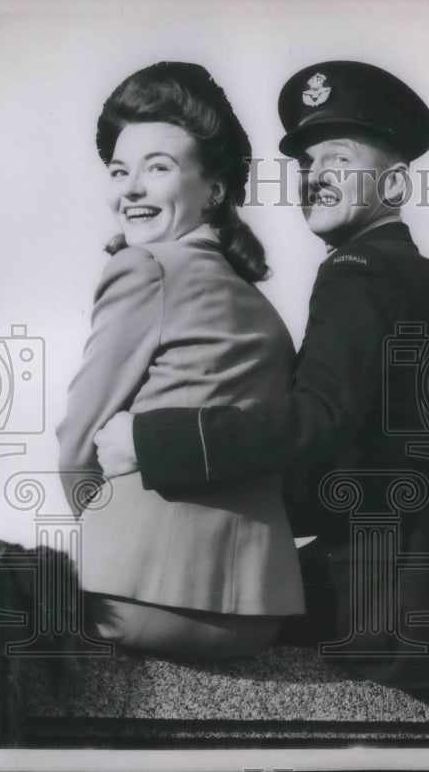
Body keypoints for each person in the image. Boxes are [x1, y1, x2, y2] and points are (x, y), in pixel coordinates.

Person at [93, 60, 429, 688]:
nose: (316, 178)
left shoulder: (357, 269)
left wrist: (148, 441)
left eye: (339, 162)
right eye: (306, 165)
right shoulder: (410, 271)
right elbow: (365, 459)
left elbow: (319, 420)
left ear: (396, 187)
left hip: (399, 608)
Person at [56, 62, 304, 656]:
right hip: (255, 614)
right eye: (120, 171)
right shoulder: (259, 305)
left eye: (158, 168)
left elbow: (76, 446)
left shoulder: (144, 268)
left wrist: (105, 535)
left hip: (137, 595)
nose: (131, 189)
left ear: (214, 190)